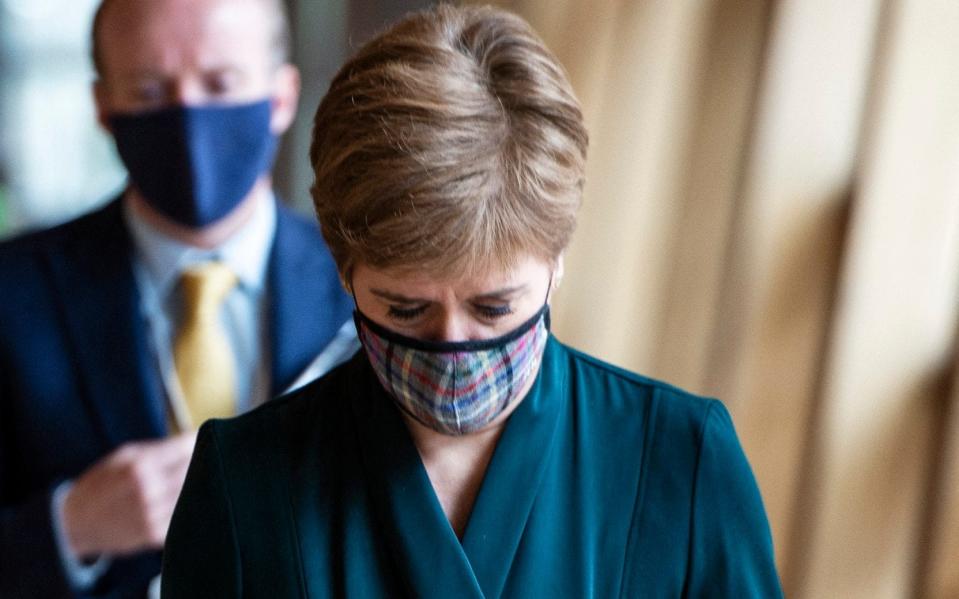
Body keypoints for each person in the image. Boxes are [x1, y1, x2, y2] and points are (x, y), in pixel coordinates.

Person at [162, 4, 784, 597]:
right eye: (407, 309)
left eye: (493, 308)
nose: (453, 347)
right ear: (342, 268)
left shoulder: (682, 460)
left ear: (557, 256)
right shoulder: (245, 480)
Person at [0, 0, 356, 596]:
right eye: (148, 90)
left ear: (282, 97)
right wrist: (71, 526)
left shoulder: (367, 287)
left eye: (221, 83)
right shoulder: (14, 293)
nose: (189, 114)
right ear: (103, 107)